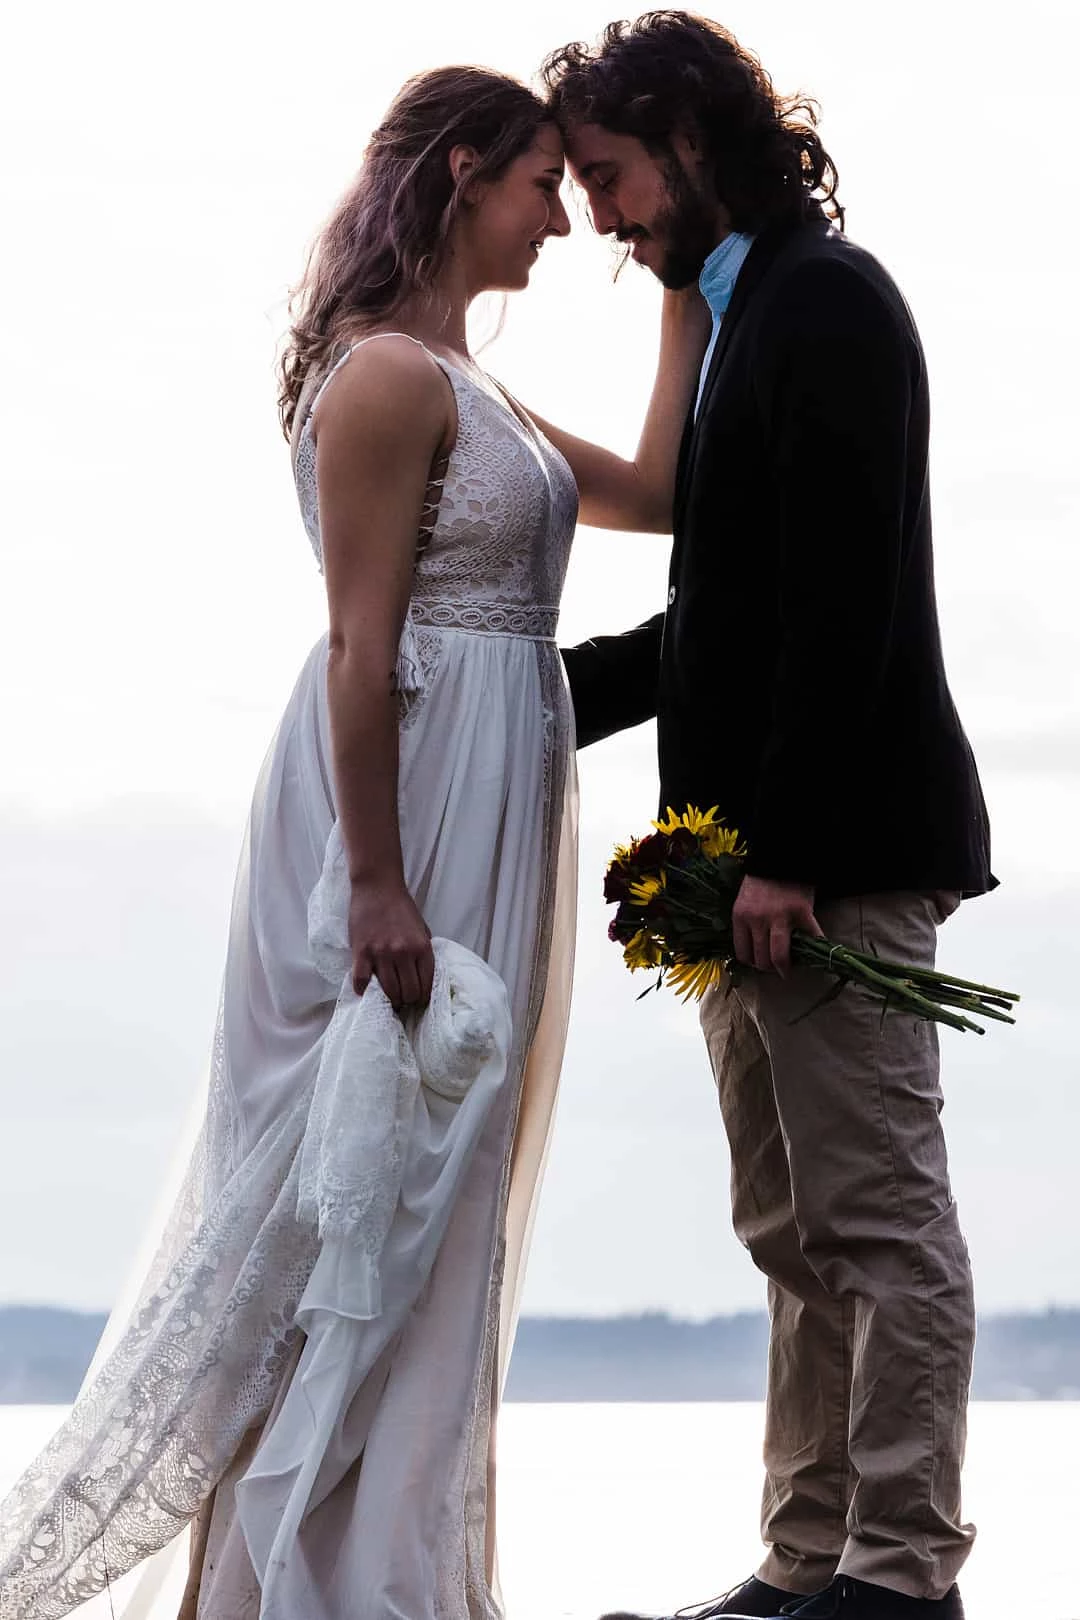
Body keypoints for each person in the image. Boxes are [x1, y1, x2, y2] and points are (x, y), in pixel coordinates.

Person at [0, 64, 708, 1620]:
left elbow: (660, 491)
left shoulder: (480, 386)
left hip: (495, 801)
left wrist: (690, 273)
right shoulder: (387, 378)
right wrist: (377, 884)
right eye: (541, 188)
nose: (559, 224)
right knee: (350, 1205)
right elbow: (358, 646)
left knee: (440, 1199)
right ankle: (287, 1588)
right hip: (400, 812)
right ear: (465, 174)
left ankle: (386, 1571)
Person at [547, 15, 995, 1620]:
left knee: (881, 1225)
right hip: (741, 875)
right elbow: (722, 618)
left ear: (684, 129)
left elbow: (846, 600)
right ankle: (810, 1560)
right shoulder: (740, 318)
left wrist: (788, 853)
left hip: (835, 868)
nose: (602, 216)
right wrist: (525, 697)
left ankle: (898, 1572)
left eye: (607, 176)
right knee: (792, 1235)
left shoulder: (830, 301)